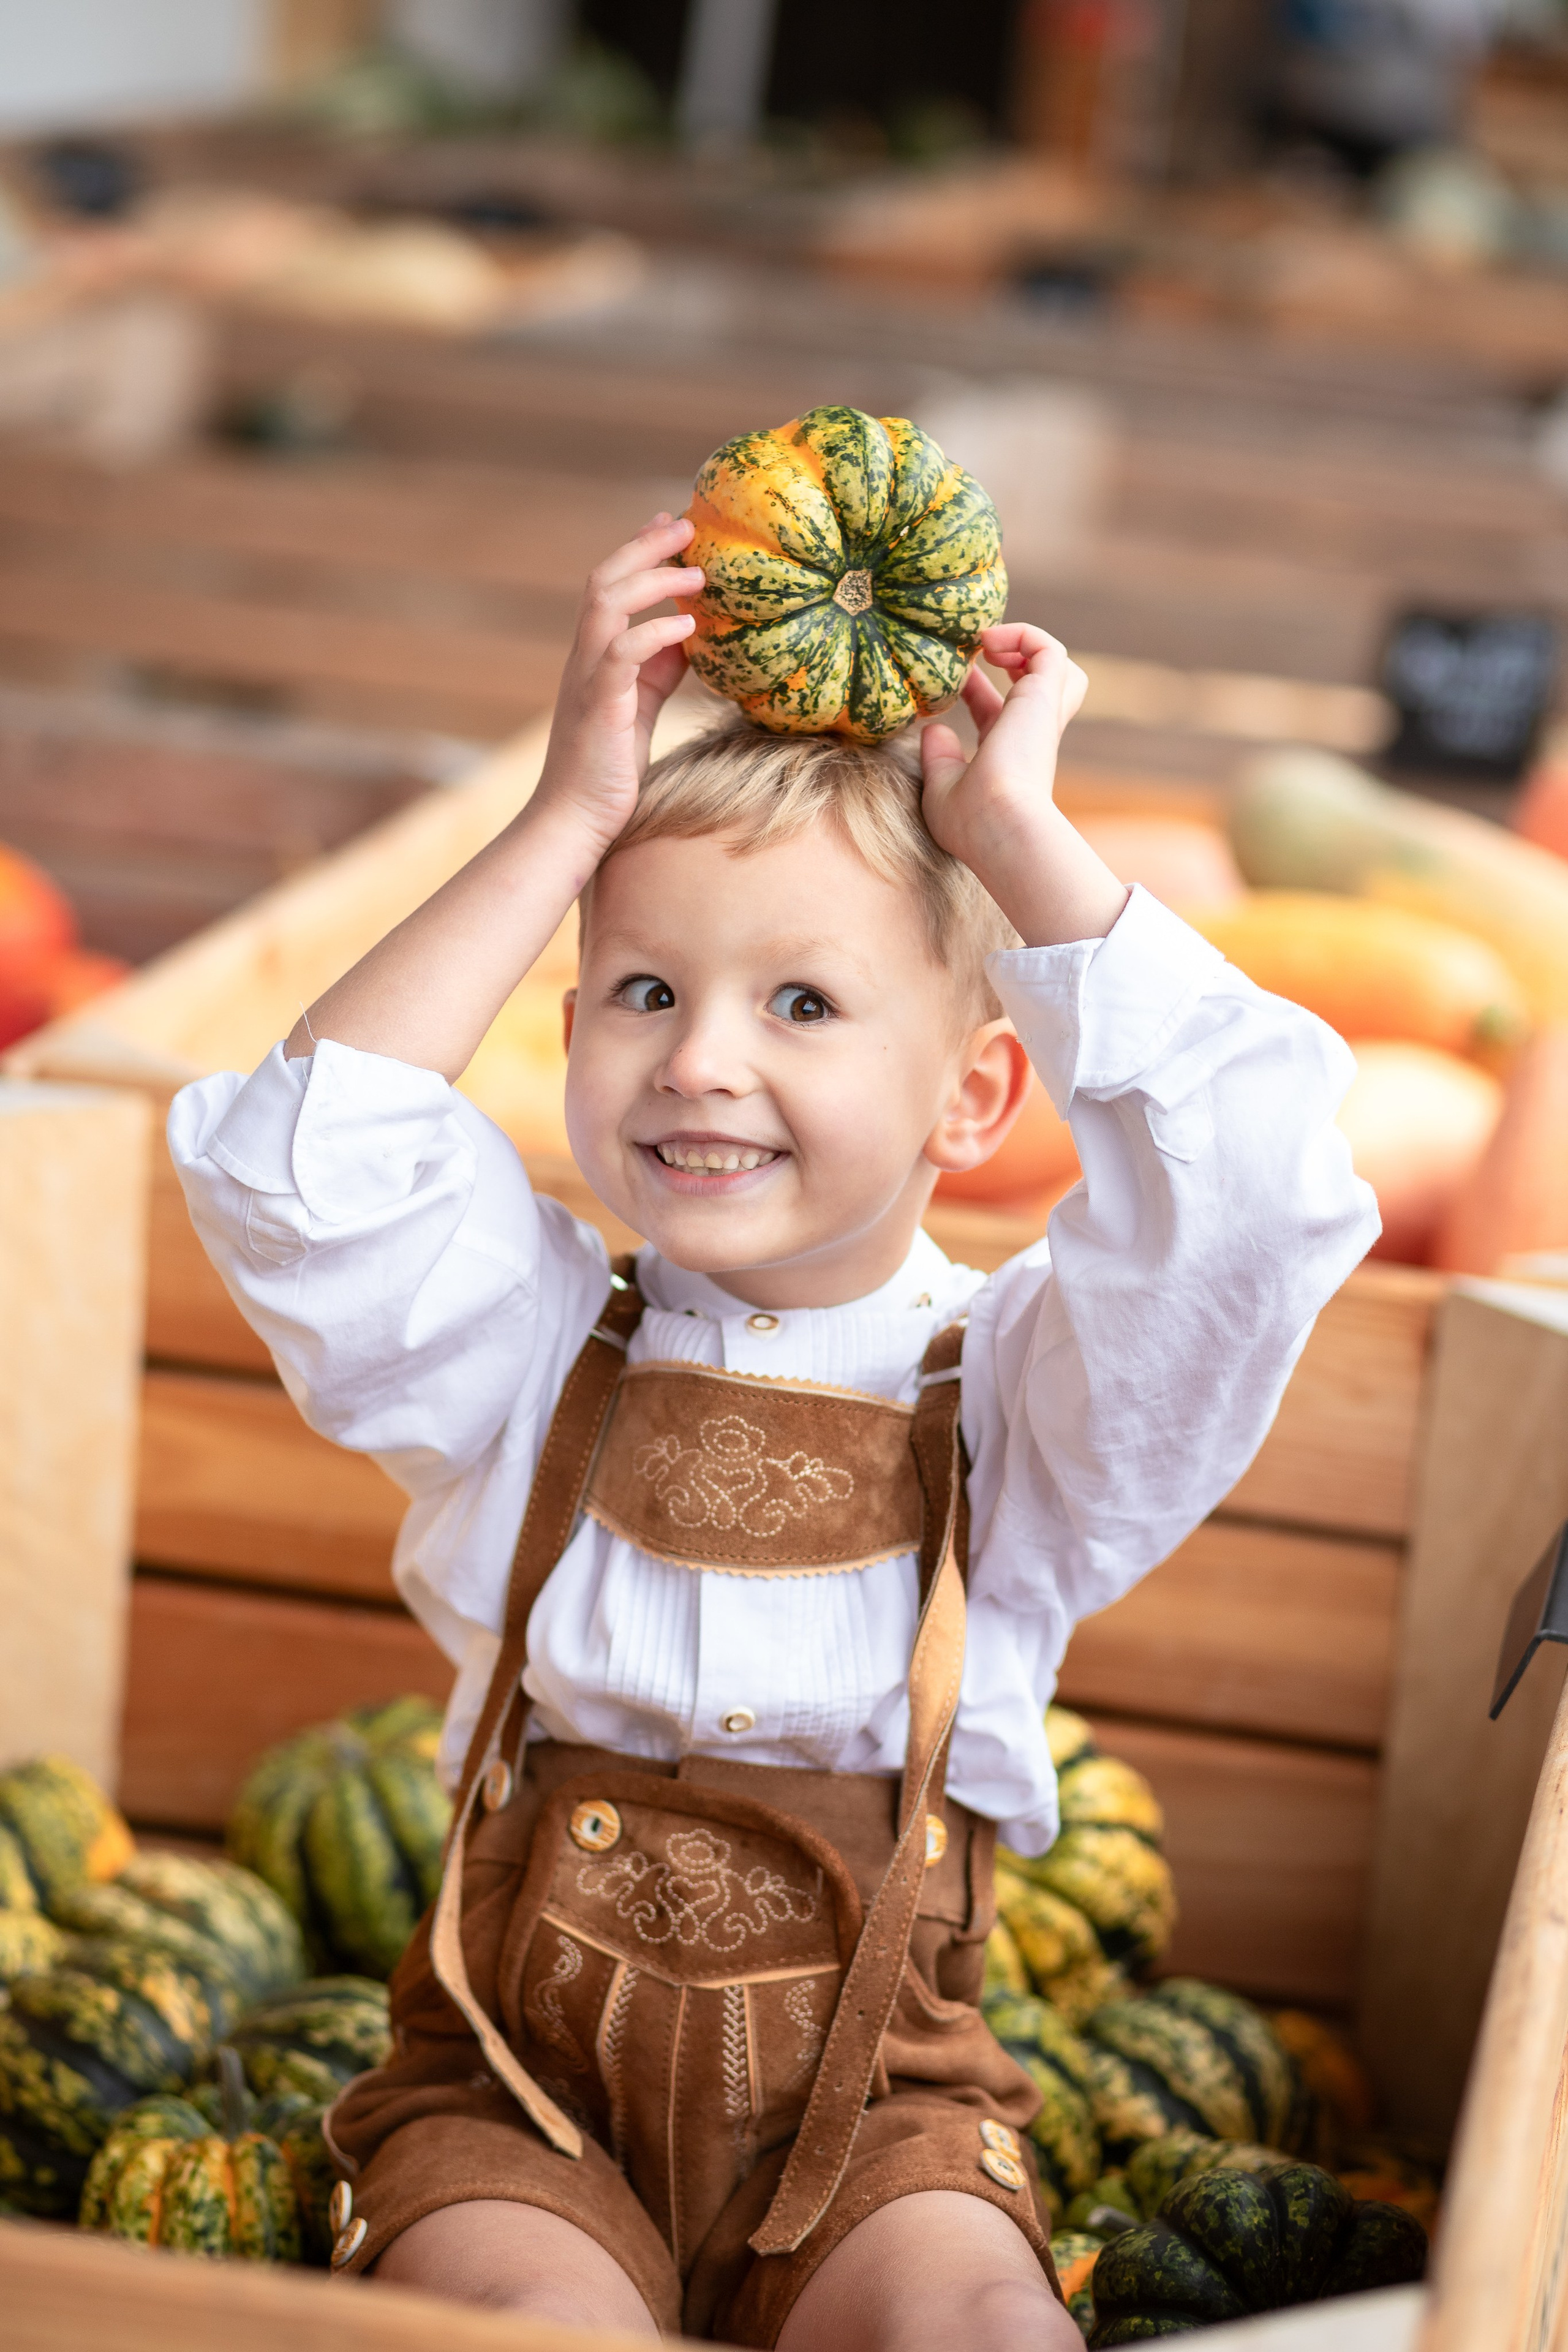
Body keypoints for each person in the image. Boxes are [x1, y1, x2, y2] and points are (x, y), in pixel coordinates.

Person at [170, 512, 1377, 2349]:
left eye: (803, 1002)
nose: (703, 1059)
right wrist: (565, 817)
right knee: (516, 2329)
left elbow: (1258, 1207)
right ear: (573, 1032)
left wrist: (1024, 854)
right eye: (647, 992)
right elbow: (301, 1169)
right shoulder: (530, 1338)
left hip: (877, 2109)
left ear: (977, 1094)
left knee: (973, 2328)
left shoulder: (1036, 1402)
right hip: (519, 2097)